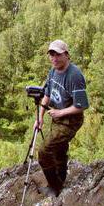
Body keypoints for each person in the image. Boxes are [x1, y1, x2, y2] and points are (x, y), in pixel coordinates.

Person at [33, 39, 89, 197]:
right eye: (51, 54)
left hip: (70, 121)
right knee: (59, 149)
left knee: (44, 151)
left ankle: (55, 186)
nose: (54, 58)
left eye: (57, 54)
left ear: (66, 55)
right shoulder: (53, 71)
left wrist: (61, 112)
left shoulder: (75, 75)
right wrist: (40, 118)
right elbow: (47, 94)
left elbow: (82, 105)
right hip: (57, 118)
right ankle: (61, 179)